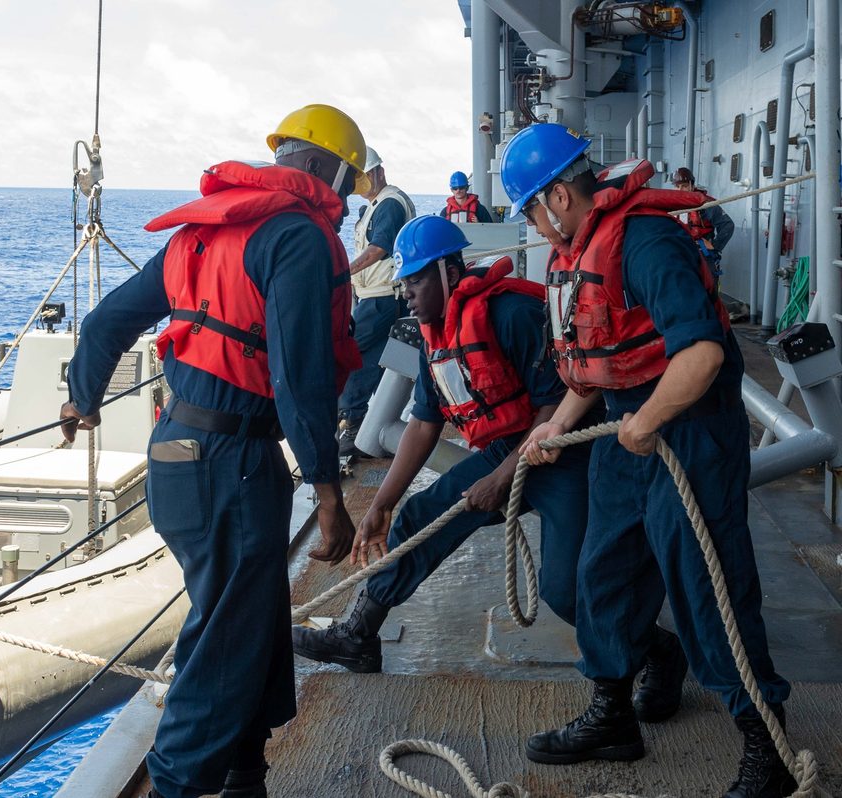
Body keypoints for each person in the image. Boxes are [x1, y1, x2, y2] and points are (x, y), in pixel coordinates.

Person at [59, 103, 368, 798]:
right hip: (234, 465)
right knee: (226, 641)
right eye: (346, 185)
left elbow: (109, 321)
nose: (346, 204)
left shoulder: (202, 235)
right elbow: (300, 374)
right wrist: (327, 495)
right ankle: (176, 785)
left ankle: (242, 772)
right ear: (319, 168)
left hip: (176, 456)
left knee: (248, 618)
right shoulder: (296, 237)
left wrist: (80, 398)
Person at [504, 124, 793, 798]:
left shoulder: (644, 241)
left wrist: (651, 420)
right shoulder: (577, 254)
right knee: (601, 574)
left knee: (706, 584)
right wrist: (552, 429)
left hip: (685, 429)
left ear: (555, 195)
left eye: (530, 211)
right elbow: (592, 364)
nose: (534, 227)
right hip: (622, 430)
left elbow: (702, 354)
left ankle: (766, 740)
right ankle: (613, 716)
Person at [292, 214, 608, 676]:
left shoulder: (511, 315)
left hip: (565, 456)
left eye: (416, 281)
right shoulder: (434, 334)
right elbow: (423, 423)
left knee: (566, 591)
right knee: (421, 516)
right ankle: (357, 637)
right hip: (509, 450)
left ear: (451, 273)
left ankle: (654, 652)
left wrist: (500, 480)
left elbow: (556, 405)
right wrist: (381, 506)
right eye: (403, 283)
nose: (407, 294)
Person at [338, 146, 416, 456]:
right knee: (383, 362)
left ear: (376, 173)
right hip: (384, 297)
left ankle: (353, 423)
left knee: (353, 358)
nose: (358, 190)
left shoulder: (389, 204)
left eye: (362, 180)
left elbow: (378, 249)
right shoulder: (379, 204)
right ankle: (375, 425)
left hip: (381, 298)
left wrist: (343, 273)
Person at [673, 166, 735, 286]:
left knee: (708, 290)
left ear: (692, 185)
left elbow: (728, 225)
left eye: (684, 186)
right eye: (677, 186)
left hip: (702, 254)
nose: (680, 190)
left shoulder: (705, 205)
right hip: (679, 254)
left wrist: (715, 246)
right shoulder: (670, 206)